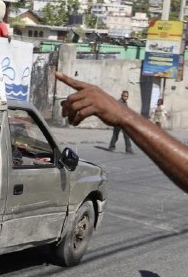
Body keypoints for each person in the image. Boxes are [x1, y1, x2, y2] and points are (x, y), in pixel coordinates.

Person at [56, 72, 188, 193]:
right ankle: (114, 146)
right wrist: (124, 117)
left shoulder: (123, 105)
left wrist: (125, 117)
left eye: (126, 95)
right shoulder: (120, 103)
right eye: (125, 95)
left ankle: (126, 148)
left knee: (125, 137)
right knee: (116, 136)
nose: (125, 97)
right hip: (118, 123)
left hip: (121, 122)